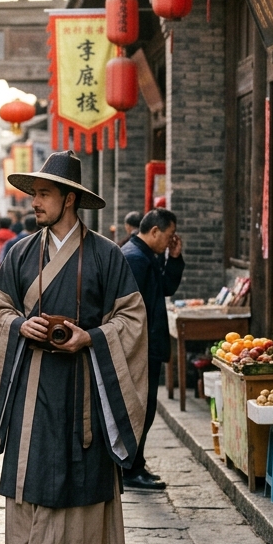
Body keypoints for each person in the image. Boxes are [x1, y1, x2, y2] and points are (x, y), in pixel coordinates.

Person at [0, 150, 148, 544]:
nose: (34, 202)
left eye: (44, 194)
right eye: (33, 193)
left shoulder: (106, 254)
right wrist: (20, 327)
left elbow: (131, 319)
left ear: (70, 199)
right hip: (33, 382)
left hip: (85, 383)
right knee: (34, 473)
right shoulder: (18, 252)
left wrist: (90, 337)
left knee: (80, 474)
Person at [120, 208, 185, 491]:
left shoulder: (147, 255)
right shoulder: (135, 259)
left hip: (148, 344)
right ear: (154, 231)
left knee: (144, 409)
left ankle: (135, 464)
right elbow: (132, 312)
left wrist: (175, 257)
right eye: (169, 236)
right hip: (140, 346)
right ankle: (130, 469)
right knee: (140, 409)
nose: (170, 241)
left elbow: (166, 288)